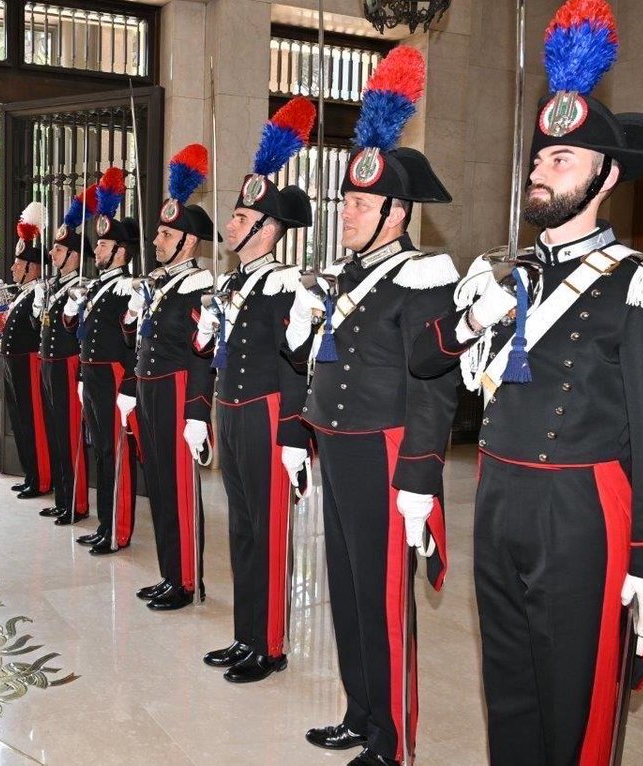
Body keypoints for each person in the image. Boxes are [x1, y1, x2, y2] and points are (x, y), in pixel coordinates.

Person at [409, 0, 643, 764]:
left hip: (583, 509)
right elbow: (426, 358)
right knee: (509, 685)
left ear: (604, 178)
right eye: (538, 158)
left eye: (560, 160)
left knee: (577, 696)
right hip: (498, 493)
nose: (540, 170)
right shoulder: (502, 273)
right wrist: (474, 318)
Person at [287, 47, 459, 766]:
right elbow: (325, 362)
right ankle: (361, 711)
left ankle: (391, 741)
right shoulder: (344, 274)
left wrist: (419, 473)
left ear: (397, 211)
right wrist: (302, 420)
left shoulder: (422, 275)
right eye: (346, 201)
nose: (347, 213)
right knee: (349, 587)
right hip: (340, 440)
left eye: (361, 204)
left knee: (386, 601)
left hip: (387, 449)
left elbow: (434, 383)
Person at [196, 98, 315, 683]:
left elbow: (297, 366)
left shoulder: (288, 283)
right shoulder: (235, 284)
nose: (230, 228)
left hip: (268, 415)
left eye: (241, 221)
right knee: (241, 528)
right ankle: (245, 633)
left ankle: (268, 644)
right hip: (232, 412)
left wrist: (295, 434)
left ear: (269, 229)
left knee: (267, 533)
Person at [120, 143, 216, 610]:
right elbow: (137, 340)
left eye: (164, 234)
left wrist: (198, 411)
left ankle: (187, 579)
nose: (156, 241)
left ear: (187, 241)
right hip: (150, 391)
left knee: (178, 485)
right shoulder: (159, 286)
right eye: (158, 233)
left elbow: (202, 354)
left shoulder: (199, 285)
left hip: (177, 391)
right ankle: (167, 571)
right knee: (156, 482)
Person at [63, 167, 139, 556]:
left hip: (113, 374)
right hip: (91, 374)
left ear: (121, 252)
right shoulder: (97, 286)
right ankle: (103, 522)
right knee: (100, 451)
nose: (97, 250)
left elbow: (132, 343)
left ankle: (119, 529)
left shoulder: (128, 286)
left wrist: (128, 386)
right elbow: (72, 326)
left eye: (105, 245)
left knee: (116, 451)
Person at [32, 184, 96, 525]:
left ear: (74, 255)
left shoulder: (80, 286)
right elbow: (40, 323)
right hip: (48, 363)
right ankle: (62, 496)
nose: (53, 254)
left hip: (67, 364)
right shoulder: (56, 286)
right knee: (55, 431)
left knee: (70, 435)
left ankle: (77, 502)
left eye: (58, 249)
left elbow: (77, 330)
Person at [1, 202, 51, 500]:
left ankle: (41, 478)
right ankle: (30, 473)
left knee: (33, 421)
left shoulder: (38, 293)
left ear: (31, 268)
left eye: (18, 265)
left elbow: (35, 325)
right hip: (13, 363)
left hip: (29, 363)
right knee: (19, 420)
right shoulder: (22, 294)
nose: (12, 268)